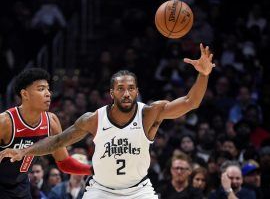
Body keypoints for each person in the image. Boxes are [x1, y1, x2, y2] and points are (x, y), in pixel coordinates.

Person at [0, 44, 214, 199]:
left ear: (137, 91)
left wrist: (203, 75)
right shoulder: (93, 119)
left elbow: (190, 102)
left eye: (131, 88)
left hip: (139, 190)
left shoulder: (150, 114)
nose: (127, 93)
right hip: (101, 190)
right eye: (121, 89)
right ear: (111, 93)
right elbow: (57, 142)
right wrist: (24, 152)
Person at [0, 68, 91, 198]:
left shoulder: (51, 121)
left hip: (21, 187)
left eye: (48, 89)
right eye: (41, 89)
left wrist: (93, 170)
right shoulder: (5, 122)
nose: (48, 93)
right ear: (25, 94)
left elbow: (64, 163)